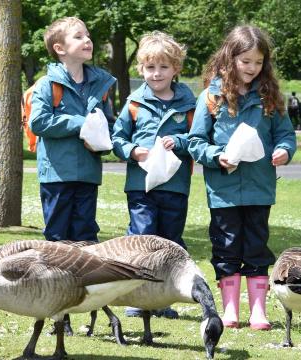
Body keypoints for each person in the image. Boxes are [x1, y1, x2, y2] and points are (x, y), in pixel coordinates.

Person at [188, 26, 297, 331]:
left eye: (258, 62)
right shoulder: (211, 97)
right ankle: (230, 310)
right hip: (223, 190)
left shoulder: (270, 97)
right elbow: (196, 141)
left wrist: (284, 151)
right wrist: (216, 156)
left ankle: (258, 312)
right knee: (226, 247)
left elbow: (285, 135)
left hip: (260, 188)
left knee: (256, 247)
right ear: (230, 58)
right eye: (246, 61)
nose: (252, 68)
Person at [112, 31, 195, 319]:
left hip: (175, 185)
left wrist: (181, 142)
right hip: (140, 185)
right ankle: (137, 296)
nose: (156, 74)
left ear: (176, 69)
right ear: (141, 70)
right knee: (143, 237)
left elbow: (197, 139)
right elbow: (118, 138)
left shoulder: (188, 105)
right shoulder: (134, 103)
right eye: (150, 68)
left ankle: (162, 299)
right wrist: (133, 150)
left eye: (163, 67)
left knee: (170, 242)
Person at [29, 16, 116, 242]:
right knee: (58, 238)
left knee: (86, 238)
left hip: (88, 175)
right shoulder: (46, 84)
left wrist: (102, 144)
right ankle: (56, 279)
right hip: (57, 177)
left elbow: (108, 126)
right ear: (60, 48)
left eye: (87, 35)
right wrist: (81, 123)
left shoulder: (101, 84)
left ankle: (84, 280)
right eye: (78, 37)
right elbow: (38, 122)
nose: (87, 40)